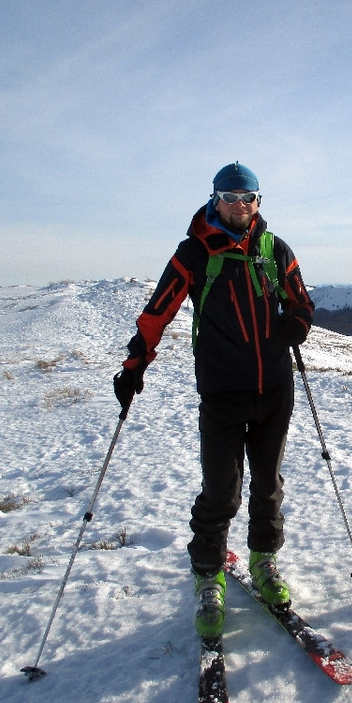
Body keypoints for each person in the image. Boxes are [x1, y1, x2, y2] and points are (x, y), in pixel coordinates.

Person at [114, 162, 314, 639]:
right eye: (229, 196)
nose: (239, 205)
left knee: (267, 484)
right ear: (214, 200)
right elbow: (159, 308)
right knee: (221, 489)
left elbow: (302, 301)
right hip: (223, 392)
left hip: (274, 389)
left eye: (248, 198)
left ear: (258, 202)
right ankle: (208, 573)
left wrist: (299, 324)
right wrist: (135, 362)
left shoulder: (275, 249)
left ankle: (264, 560)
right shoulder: (194, 253)